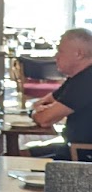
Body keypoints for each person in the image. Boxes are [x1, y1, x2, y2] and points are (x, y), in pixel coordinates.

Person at [26, 27, 92, 159]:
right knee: (20, 154)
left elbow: (45, 120)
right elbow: (43, 102)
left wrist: (35, 113)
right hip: (74, 148)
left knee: (15, 160)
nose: (56, 56)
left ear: (78, 54)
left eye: (60, 51)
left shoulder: (87, 80)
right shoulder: (77, 78)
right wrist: (40, 110)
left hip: (82, 154)